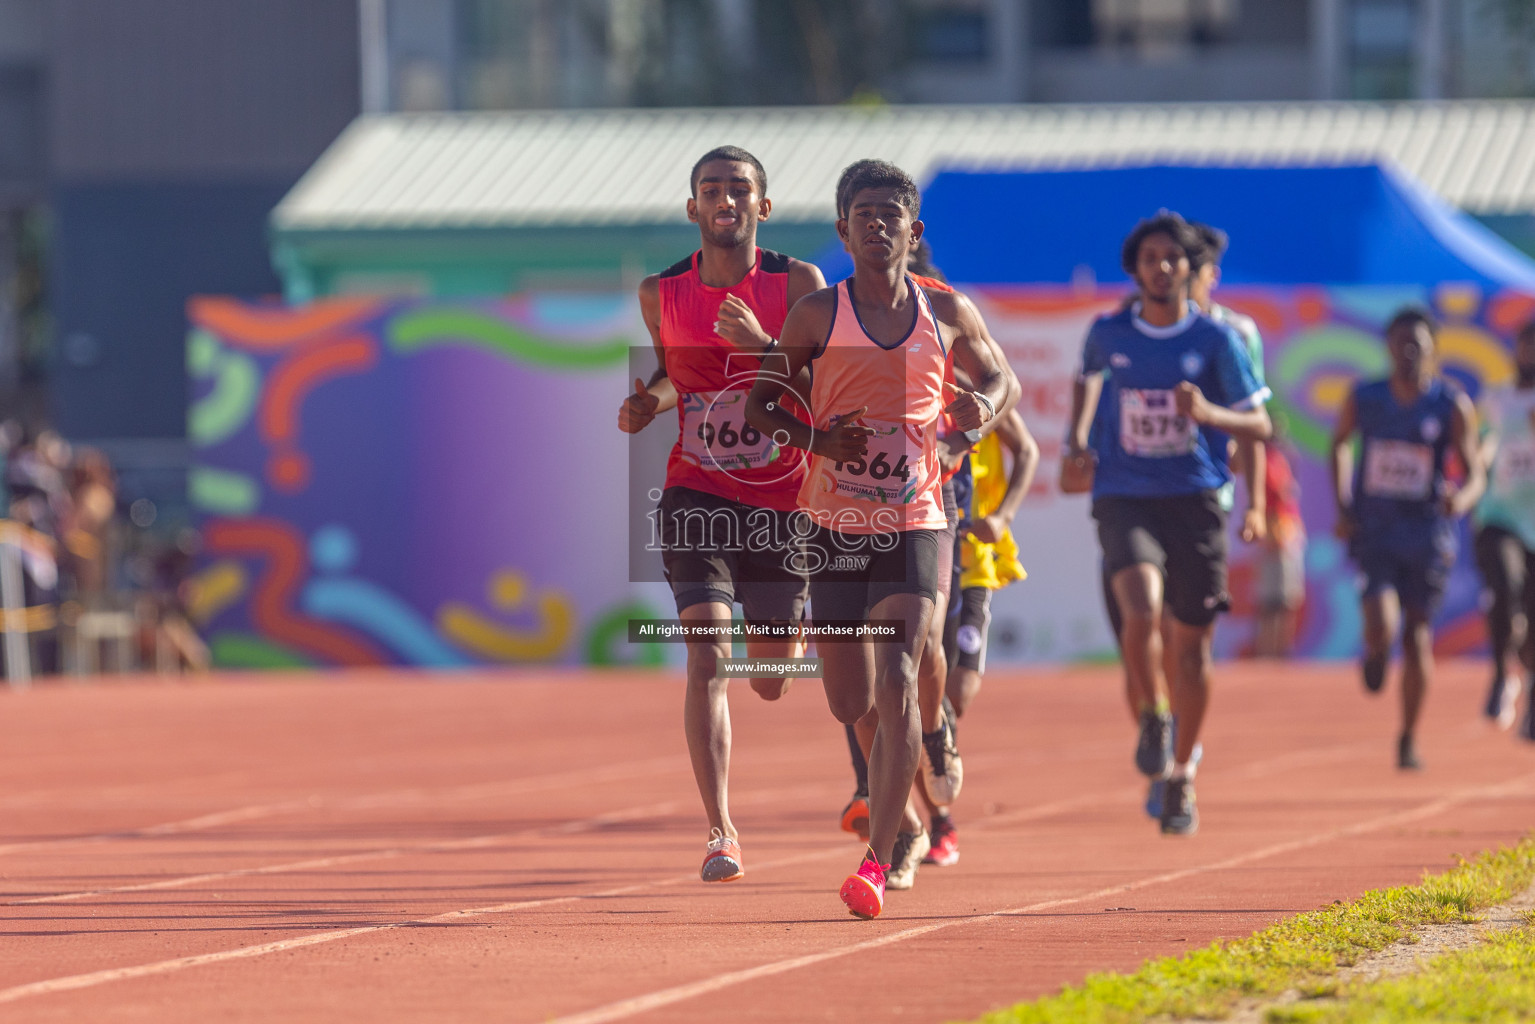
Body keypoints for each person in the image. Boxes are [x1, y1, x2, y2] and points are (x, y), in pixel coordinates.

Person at [746, 159, 1013, 919]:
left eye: (889, 214)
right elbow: (763, 404)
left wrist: (975, 415)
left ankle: (880, 852)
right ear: (841, 229)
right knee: (850, 699)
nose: (876, 224)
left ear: (912, 229)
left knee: (899, 676)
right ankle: (907, 767)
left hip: (916, 522)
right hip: (833, 526)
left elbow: (1000, 381)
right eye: (861, 213)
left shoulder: (947, 310)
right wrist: (815, 440)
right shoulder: (815, 316)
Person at [618, 146, 825, 882]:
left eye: (739, 188)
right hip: (696, 492)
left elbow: (825, 383)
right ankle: (720, 830)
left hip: (781, 500)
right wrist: (649, 403)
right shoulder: (660, 292)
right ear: (692, 208)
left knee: (769, 679)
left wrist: (764, 347)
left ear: (762, 207)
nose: (725, 199)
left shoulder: (799, 284)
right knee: (705, 654)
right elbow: (675, 379)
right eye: (712, 189)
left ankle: (790, 629)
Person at [1061, 211, 1271, 836]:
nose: (1161, 267)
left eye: (1171, 258)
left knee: (1192, 651)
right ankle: (1154, 716)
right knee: (1141, 611)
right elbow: (1087, 384)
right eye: (1149, 257)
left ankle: (1181, 772)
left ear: (1189, 269)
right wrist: (1076, 440)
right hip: (1125, 494)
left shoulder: (1217, 340)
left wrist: (1206, 412)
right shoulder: (1106, 331)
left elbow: (1260, 426)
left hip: (1196, 501)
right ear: (1135, 268)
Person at [1329, 307, 1485, 770]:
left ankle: (1408, 735)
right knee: (1382, 622)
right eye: (1400, 342)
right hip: (1375, 530)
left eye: (1417, 344)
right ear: (1388, 346)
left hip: (1426, 535)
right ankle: (1376, 649)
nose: (1408, 352)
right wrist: (1342, 504)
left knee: (1418, 637)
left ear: (1434, 350)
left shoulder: (1450, 405)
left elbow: (1474, 471)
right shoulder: (1366, 397)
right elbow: (1339, 444)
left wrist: (1464, 498)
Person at [926, 403, 1036, 866]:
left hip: (972, 561)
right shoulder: (916, 384)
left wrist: (1004, 516)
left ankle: (934, 741)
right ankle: (939, 819)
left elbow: (1027, 451)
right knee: (919, 696)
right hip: (928, 550)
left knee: (958, 695)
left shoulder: (982, 395)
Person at [1473, 319, 1535, 735]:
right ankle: (1500, 672)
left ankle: (1530, 690)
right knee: (1505, 584)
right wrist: (1480, 458)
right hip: (1501, 515)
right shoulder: (1498, 397)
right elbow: (1483, 443)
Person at [1254, 431, 1306, 658]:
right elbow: (1275, 497)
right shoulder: (1265, 461)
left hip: (1289, 531)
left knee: (1288, 598)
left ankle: (1282, 648)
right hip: (1276, 535)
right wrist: (1272, 535)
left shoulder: (1281, 459)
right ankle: (1268, 650)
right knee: (1273, 599)